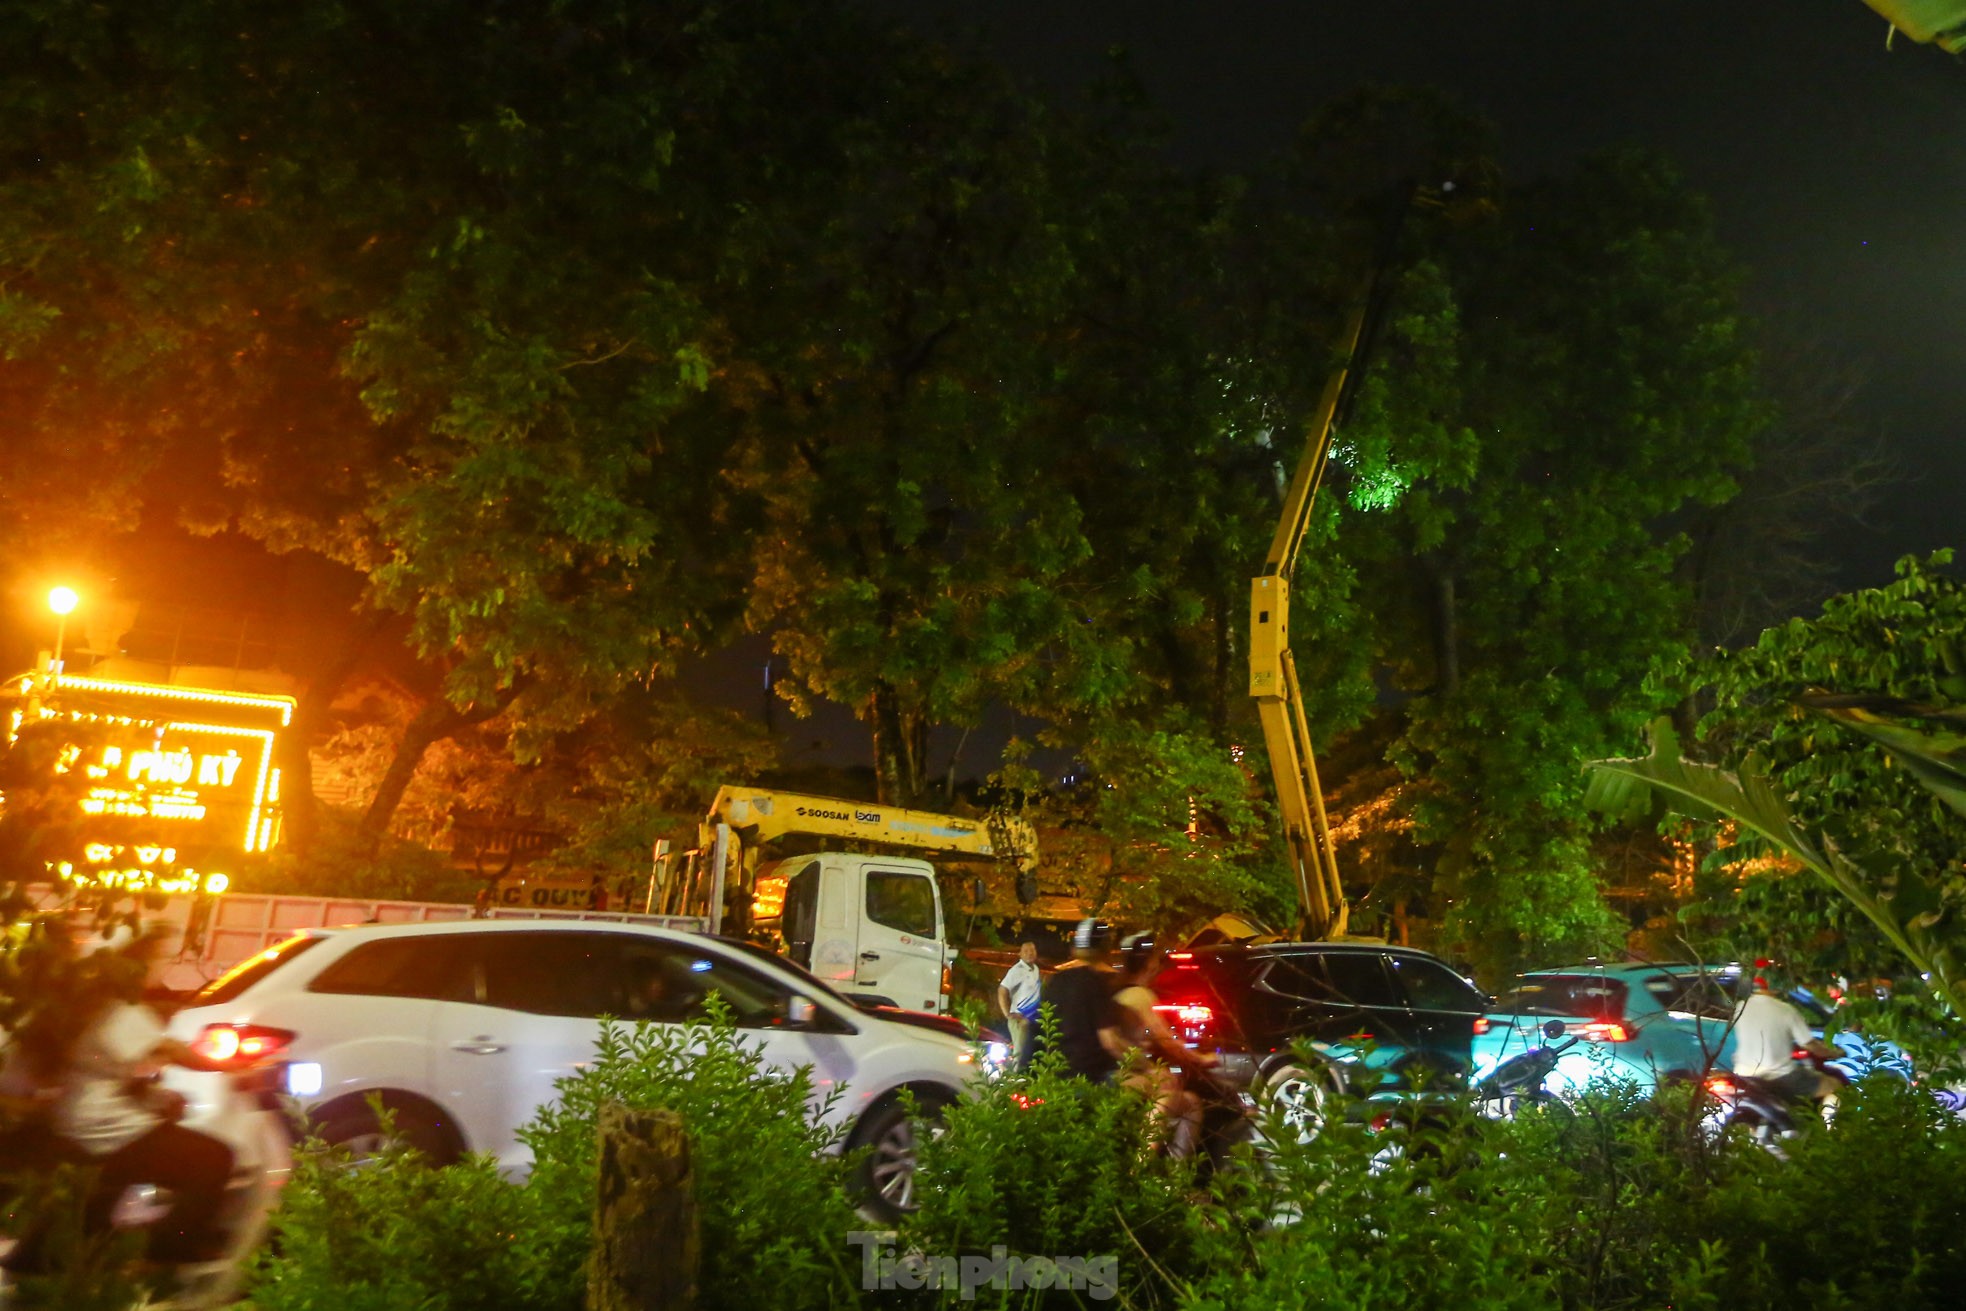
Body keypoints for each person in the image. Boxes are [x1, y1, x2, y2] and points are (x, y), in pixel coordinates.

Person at [55, 924, 244, 1264]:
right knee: (214, 1158)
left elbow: (129, 1067)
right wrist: (237, 1068)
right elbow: (171, 1050)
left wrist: (159, 1099)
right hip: (104, 1126)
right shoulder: (123, 1010)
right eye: (156, 957)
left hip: (87, 1117)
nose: (161, 966)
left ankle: (94, 1248)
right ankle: (172, 1253)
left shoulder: (104, 1005)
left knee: (152, 1158)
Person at [1112, 932, 1214, 1158]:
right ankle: (1154, 1172)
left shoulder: (1117, 991)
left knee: (1170, 1087)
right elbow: (1168, 1041)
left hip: (1116, 1073)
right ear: (1149, 963)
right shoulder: (1140, 995)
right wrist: (1202, 1058)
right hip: (1127, 1075)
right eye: (1156, 959)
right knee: (1186, 1101)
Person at [1728, 964, 1840, 1108]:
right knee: (1834, 1085)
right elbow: (1810, 1045)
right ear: (1774, 985)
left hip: (1743, 1075)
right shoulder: (1786, 1010)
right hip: (1781, 1076)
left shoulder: (1739, 1008)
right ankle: (1827, 1128)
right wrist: (1832, 1053)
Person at [1032, 919, 1129, 1081]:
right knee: (1161, 1086)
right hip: (1094, 1077)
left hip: (1057, 1075)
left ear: (1075, 947)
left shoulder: (1055, 981)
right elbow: (1110, 1041)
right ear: (1106, 948)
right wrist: (1146, 1065)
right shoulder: (1097, 982)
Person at [995, 941, 1042, 1068]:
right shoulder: (1016, 971)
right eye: (1026, 951)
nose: (1030, 953)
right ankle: (1013, 1083)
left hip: (1033, 1020)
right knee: (1019, 1054)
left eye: (1032, 950)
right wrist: (1007, 1014)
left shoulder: (1035, 969)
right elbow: (1002, 990)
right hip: (1020, 1021)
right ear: (1020, 954)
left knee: (1030, 1054)